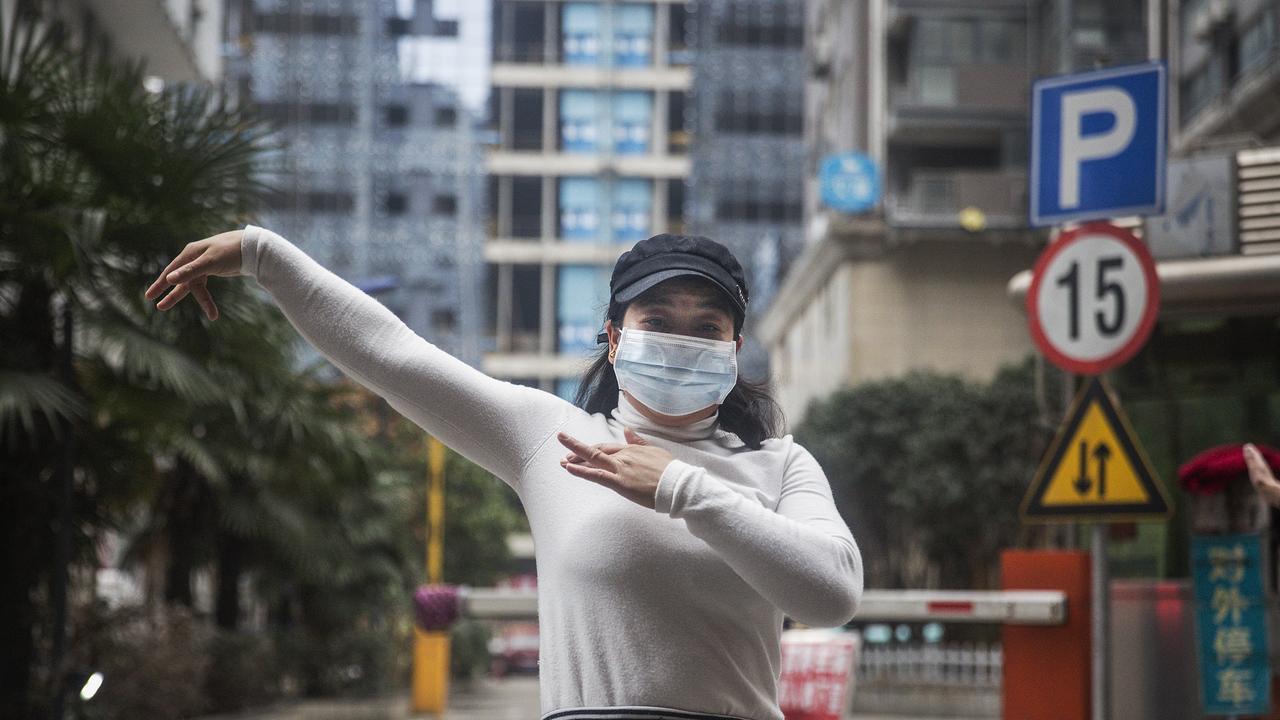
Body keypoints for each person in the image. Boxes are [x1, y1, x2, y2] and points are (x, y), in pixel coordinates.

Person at [144, 225, 863, 720]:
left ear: (736, 347)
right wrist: (264, 255)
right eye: (657, 319)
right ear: (615, 339)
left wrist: (680, 487)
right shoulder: (549, 438)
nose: (682, 340)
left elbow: (831, 594)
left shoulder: (780, 463)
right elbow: (395, 356)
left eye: (707, 326)